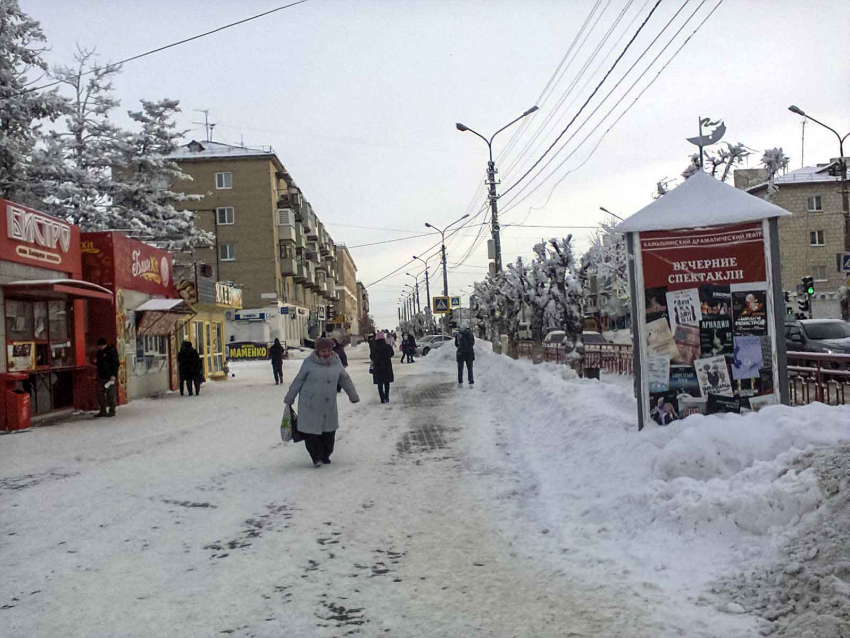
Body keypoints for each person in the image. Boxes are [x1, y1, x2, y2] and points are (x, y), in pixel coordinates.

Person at [284, 337, 359, 468]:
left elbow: (344, 379)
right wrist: (290, 397)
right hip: (310, 403)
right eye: (323, 351)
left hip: (328, 405)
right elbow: (298, 380)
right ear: (317, 351)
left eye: (328, 350)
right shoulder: (309, 363)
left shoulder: (336, 362)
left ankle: (325, 455)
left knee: (329, 433)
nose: (326, 353)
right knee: (311, 433)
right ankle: (316, 457)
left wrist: (353, 395)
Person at [95, 337, 119, 417]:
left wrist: (114, 375)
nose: (99, 348)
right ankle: (103, 410)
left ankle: (112, 411)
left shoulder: (111, 351)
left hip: (110, 377)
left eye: (99, 346)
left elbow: (115, 363)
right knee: (100, 394)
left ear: (103, 345)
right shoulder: (99, 353)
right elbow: (99, 364)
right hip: (101, 376)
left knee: (111, 394)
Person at [370, 331, 395, 403]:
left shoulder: (374, 348)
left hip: (378, 368)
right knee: (387, 383)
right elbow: (392, 354)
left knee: (380, 384)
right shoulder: (388, 346)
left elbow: (371, 357)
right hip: (387, 367)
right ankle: (387, 397)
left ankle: (382, 398)